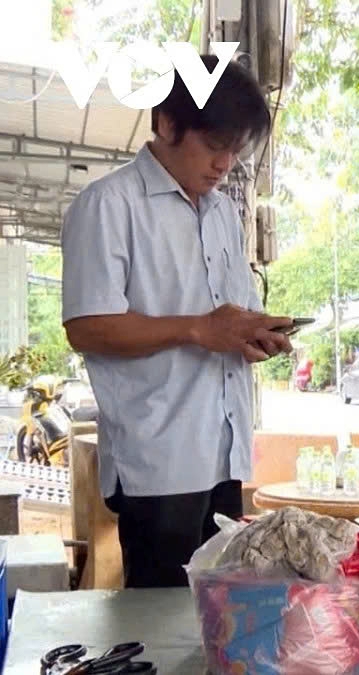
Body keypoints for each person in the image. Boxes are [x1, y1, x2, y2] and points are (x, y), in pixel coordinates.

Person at [61, 56, 294, 588]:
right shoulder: (109, 205)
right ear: (167, 124)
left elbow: (227, 318)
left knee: (218, 611)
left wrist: (253, 334)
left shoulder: (222, 214)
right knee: (162, 618)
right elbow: (87, 327)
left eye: (236, 149)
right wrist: (197, 329)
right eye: (214, 145)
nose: (225, 164)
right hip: (159, 461)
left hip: (225, 452)